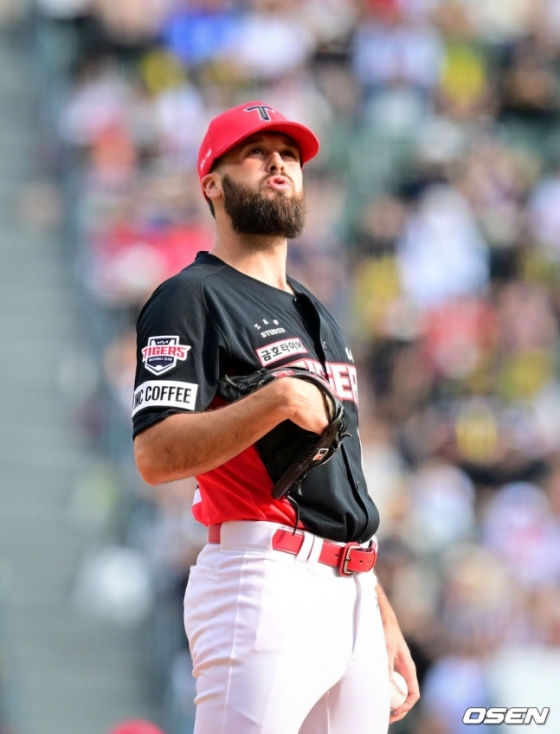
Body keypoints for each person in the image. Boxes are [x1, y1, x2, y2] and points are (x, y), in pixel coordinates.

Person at [132, 100, 420, 734]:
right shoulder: (191, 297)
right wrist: (277, 399)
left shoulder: (314, 309)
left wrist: (375, 603)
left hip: (349, 587)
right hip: (262, 580)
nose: (278, 164)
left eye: (289, 154)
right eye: (255, 153)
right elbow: (154, 454)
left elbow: (336, 479)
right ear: (213, 183)